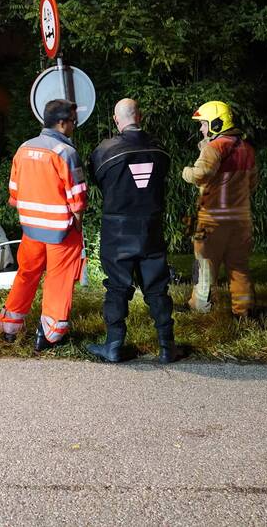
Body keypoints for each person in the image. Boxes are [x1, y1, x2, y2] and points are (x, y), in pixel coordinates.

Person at [86, 99, 178, 363]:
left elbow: (97, 180)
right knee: (157, 286)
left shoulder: (105, 150)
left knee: (117, 286)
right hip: (151, 226)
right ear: (141, 116)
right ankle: (167, 347)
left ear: (116, 120)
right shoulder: (159, 149)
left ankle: (114, 345)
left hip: (118, 228)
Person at [0, 99, 87, 351]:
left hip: (30, 229)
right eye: (73, 122)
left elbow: (14, 193)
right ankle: (50, 334)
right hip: (61, 231)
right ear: (62, 123)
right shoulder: (66, 153)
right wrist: (77, 224)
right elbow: (78, 198)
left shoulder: (23, 149)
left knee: (27, 274)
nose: (74, 126)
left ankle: (10, 326)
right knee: (59, 278)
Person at [181, 100, 258, 317]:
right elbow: (253, 183)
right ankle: (243, 311)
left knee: (204, 263)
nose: (201, 129)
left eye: (203, 124)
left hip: (211, 218)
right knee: (239, 266)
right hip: (241, 220)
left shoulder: (214, 148)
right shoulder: (247, 149)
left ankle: (201, 306)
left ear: (216, 124)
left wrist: (186, 172)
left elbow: (201, 174)